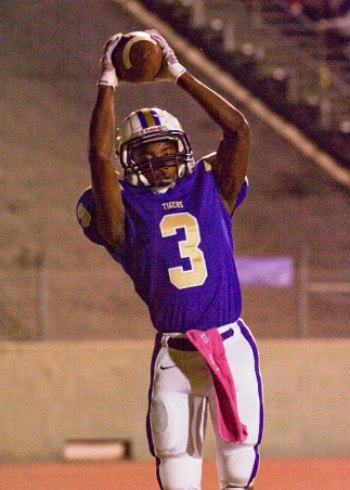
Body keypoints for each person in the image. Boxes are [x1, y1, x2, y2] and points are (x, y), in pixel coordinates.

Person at [77, 29, 263, 490]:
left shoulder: (212, 187)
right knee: (176, 466)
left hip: (230, 343)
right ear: (129, 160)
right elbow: (98, 158)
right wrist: (107, 85)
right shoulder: (121, 214)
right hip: (174, 353)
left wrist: (177, 72)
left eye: (166, 150)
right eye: (147, 153)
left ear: (182, 148)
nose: (160, 162)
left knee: (239, 467)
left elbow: (238, 129)